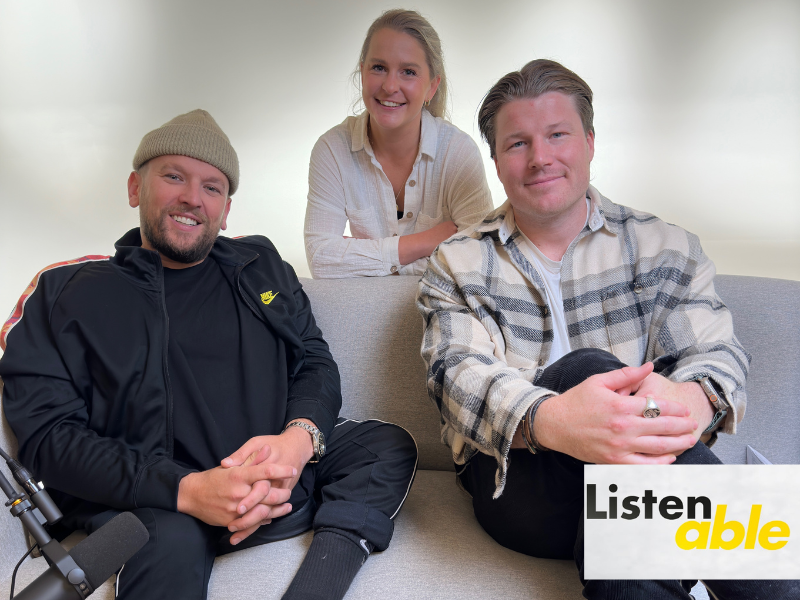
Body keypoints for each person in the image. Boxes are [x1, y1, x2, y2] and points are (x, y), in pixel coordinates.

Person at [416, 60, 798, 599]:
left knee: (623, 508)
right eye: (518, 143)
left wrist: (686, 401)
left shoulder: (666, 245)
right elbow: (458, 378)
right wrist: (557, 420)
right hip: (521, 481)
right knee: (587, 369)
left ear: (590, 142)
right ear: (498, 163)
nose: (540, 157)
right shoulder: (457, 263)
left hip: (650, 481)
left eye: (557, 135)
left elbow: (716, 354)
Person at [0, 109, 417, 600]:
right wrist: (190, 490)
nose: (192, 198)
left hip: (280, 476)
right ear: (135, 188)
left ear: (226, 208)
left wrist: (296, 442)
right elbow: (49, 438)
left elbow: (313, 360)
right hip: (159, 503)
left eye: (212, 187)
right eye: (173, 176)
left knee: (382, 445)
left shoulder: (260, 266)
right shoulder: (65, 292)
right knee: (165, 537)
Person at [304, 8, 493, 279]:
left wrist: (360, 256)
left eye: (408, 72)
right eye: (379, 68)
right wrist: (425, 242)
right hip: (362, 316)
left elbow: (481, 260)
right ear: (362, 73)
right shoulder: (332, 150)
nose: (390, 86)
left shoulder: (458, 152)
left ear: (431, 87)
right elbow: (321, 260)